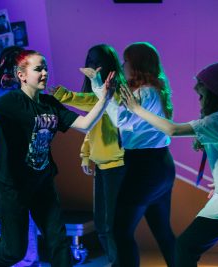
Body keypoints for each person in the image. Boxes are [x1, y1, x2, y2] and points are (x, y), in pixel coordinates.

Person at [0, 49, 115, 267]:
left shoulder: (50, 104)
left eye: (45, 68)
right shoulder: (12, 101)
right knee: (13, 250)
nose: (44, 73)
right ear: (21, 75)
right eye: (38, 69)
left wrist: (105, 99)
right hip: (12, 187)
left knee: (58, 242)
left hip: (42, 184)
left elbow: (85, 124)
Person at [120, 62, 218, 267]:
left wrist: (136, 109)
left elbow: (172, 130)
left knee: (185, 247)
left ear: (212, 90)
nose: (195, 89)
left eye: (200, 84)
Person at [91, 42, 176, 267]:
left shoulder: (144, 92)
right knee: (163, 233)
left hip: (145, 168)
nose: (122, 65)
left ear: (137, 64)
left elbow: (121, 121)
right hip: (160, 165)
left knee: (120, 231)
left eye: (126, 61)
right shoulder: (153, 89)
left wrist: (100, 90)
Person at [52, 44, 126, 266]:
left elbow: (90, 101)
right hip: (101, 167)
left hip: (118, 165)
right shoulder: (97, 93)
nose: (93, 65)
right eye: (90, 60)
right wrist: (86, 154)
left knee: (112, 225)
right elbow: (91, 125)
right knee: (102, 225)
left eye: (97, 61)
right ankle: (116, 261)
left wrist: (61, 94)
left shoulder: (115, 91)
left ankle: (120, 262)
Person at [0, 45, 40, 267]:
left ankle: (26, 257)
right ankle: (27, 257)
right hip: (14, 157)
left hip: (15, 157)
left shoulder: (2, 93)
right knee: (19, 211)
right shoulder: (8, 93)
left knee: (17, 212)